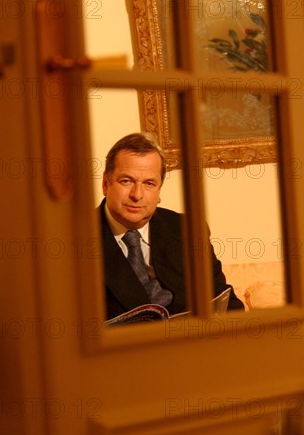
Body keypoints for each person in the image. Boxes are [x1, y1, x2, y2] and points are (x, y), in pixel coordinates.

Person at [98, 133, 244, 320]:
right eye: (126, 181)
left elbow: (225, 302)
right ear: (105, 184)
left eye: (149, 183)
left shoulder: (187, 230)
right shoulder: (76, 238)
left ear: (159, 191)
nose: (137, 194)